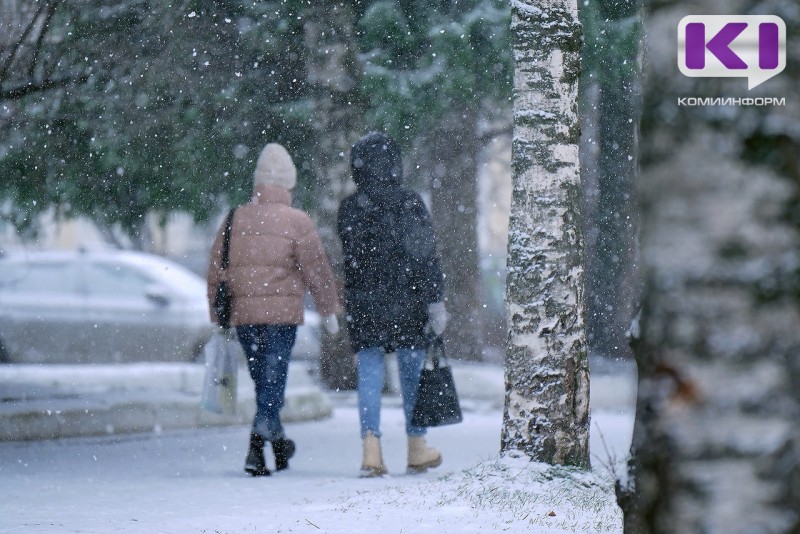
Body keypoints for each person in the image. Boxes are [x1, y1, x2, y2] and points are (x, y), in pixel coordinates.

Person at [207, 142, 342, 477]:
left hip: (245, 318)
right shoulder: (297, 221)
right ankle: (256, 445)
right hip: (281, 318)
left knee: (264, 382)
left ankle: (279, 442)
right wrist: (328, 310)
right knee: (273, 381)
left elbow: (216, 269)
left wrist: (217, 315)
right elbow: (317, 270)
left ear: (258, 183)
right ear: (289, 184)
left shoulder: (235, 217)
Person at [337, 131, 449, 478]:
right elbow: (426, 256)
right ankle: (417, 447)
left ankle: (371, 449)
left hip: (365, 303)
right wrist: (435, 301)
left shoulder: (350, 209)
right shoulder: (411, 202)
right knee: (411, 372)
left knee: (369, 373)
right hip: (408, 301)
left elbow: (350, 260)